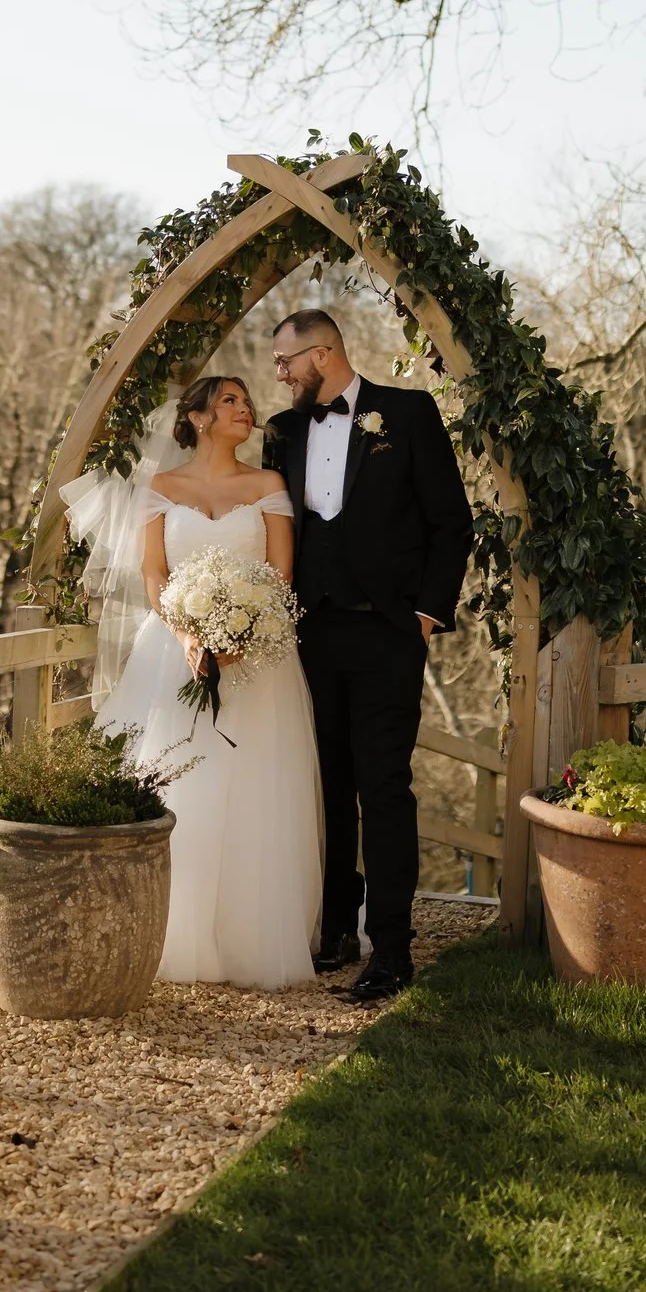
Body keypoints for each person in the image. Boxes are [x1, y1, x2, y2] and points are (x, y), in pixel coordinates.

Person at [80, 375, 323, 988]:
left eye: (247, 401)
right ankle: (171, 934)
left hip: (258, 658)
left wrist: (241, 636)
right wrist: (190, 635)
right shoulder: (162, 487)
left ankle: (251, 938)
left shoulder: (267, 485)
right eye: (231, 402)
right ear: (198, 417)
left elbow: (280, 574)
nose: (247, 410)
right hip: (173, 653)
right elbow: (155, 574)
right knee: (175, 780)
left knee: (255, 790)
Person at [261, 308, 473, 1002]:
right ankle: (335, 931)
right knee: (324, 785)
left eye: (286, 361)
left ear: (323, 356)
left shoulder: (405, 415)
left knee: (383, 788)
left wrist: (424, 614)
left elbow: (451, 522)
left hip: (387, 634)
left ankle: (392, 950)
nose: (280, 374)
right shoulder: (283, 431)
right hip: (309, 635)